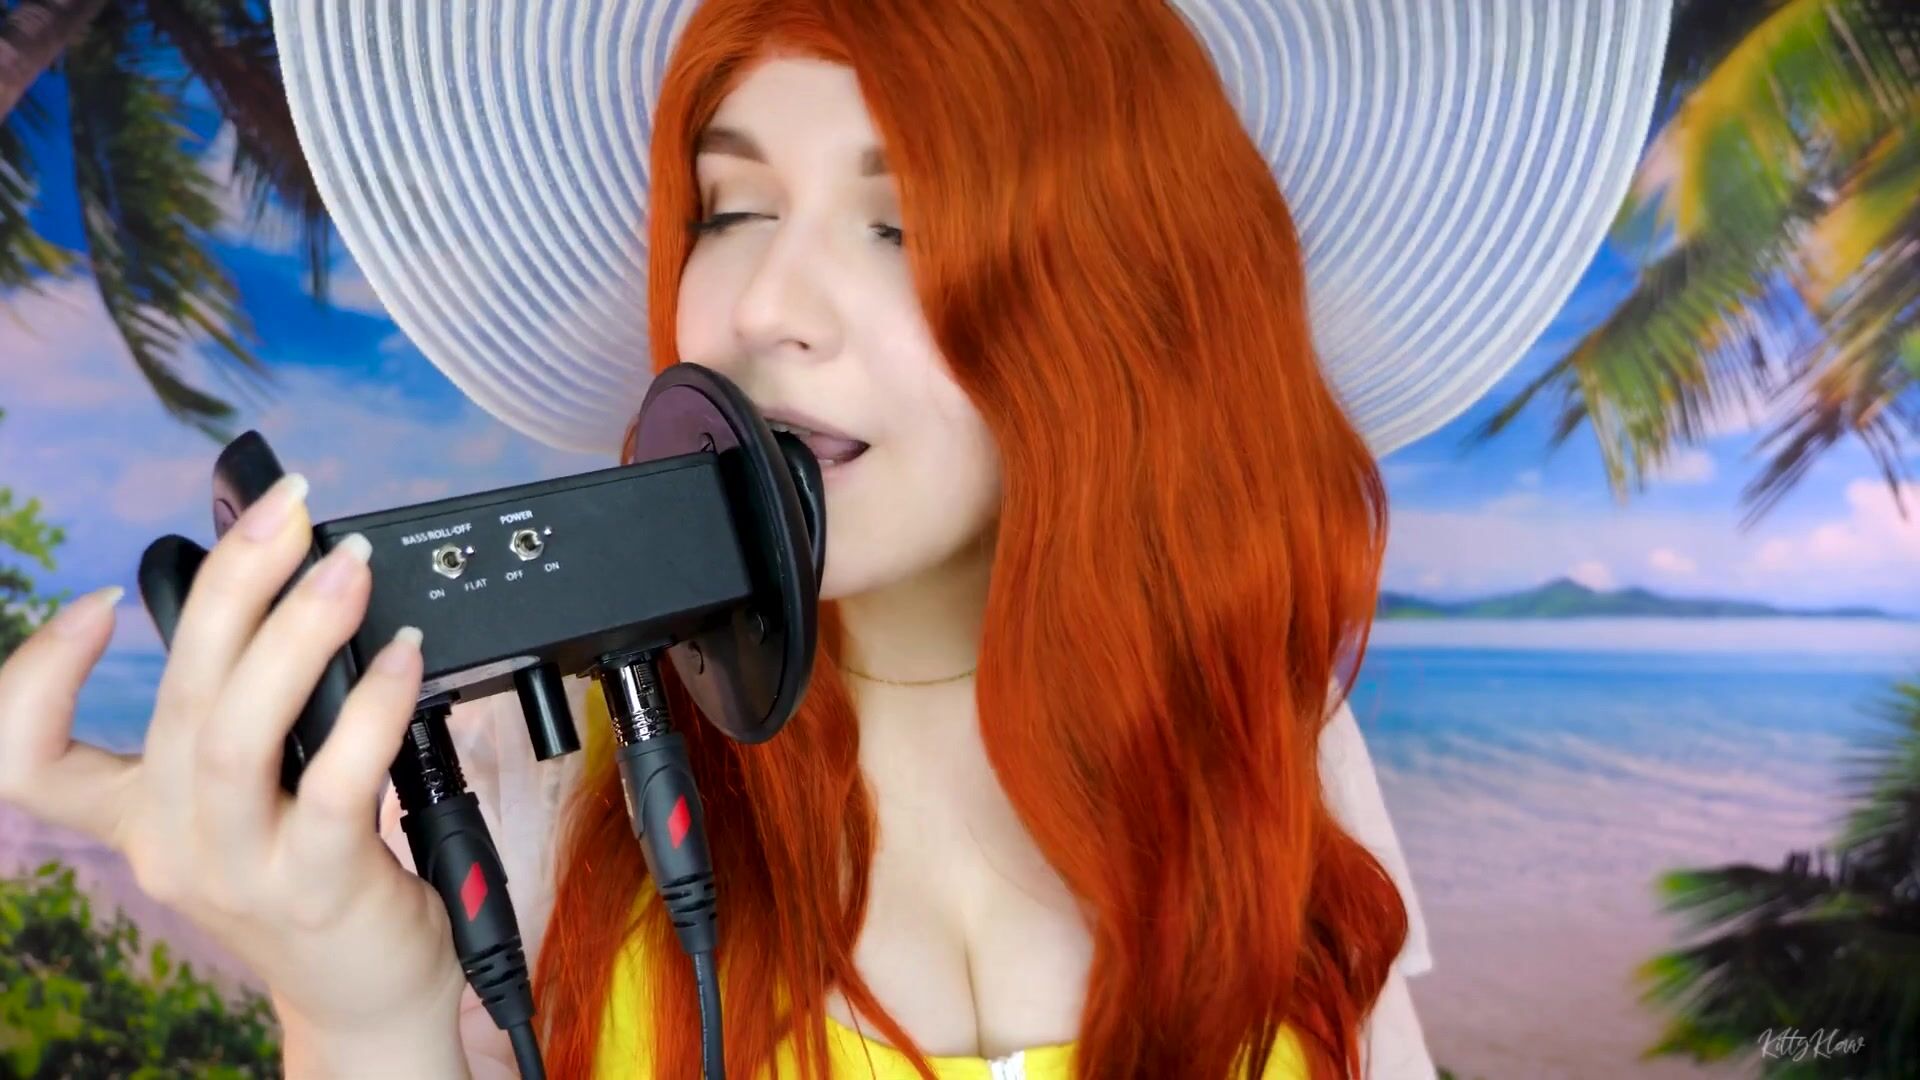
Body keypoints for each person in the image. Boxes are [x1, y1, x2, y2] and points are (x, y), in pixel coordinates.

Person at [0, 0, 1670, 1076]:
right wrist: (353, 1007)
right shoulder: (525, 775)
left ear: (1123, 306)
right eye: (730, 209)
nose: (767, 307)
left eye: (906, 221)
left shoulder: (1267, 733)